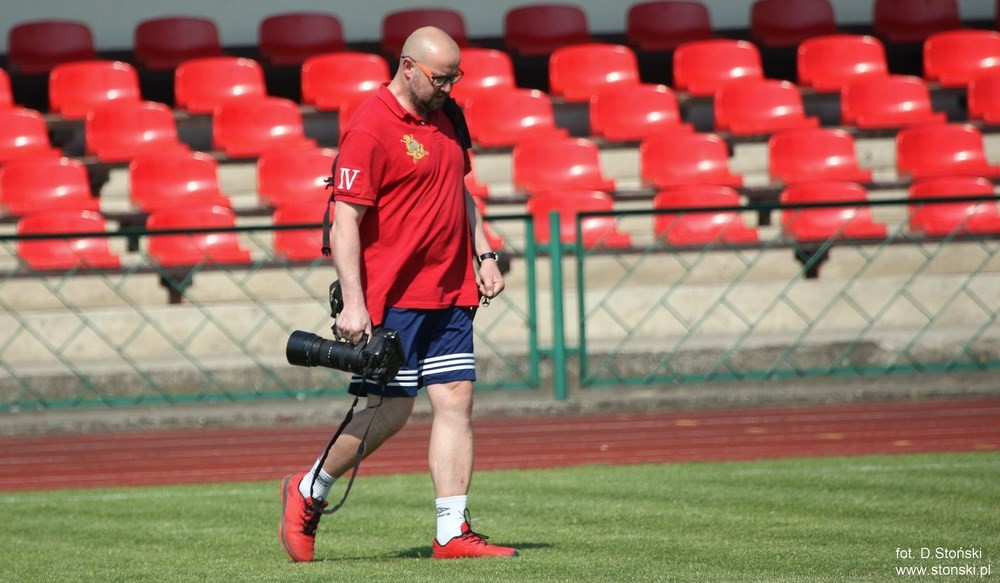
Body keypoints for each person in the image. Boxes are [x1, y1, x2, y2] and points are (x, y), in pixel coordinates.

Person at [278, 26, 517, 562]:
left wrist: (484, 254)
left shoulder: (449, 115)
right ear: (408, 67)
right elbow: (345, 220)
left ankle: (451, 532)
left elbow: (459, 189)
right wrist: (355, 301)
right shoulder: (370, 126)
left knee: (456, 400)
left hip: (450, 289)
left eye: (456, 77)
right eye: (440, 78)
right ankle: (308, 488)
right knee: (391, 412)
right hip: (394, 295)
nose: (449, 88)